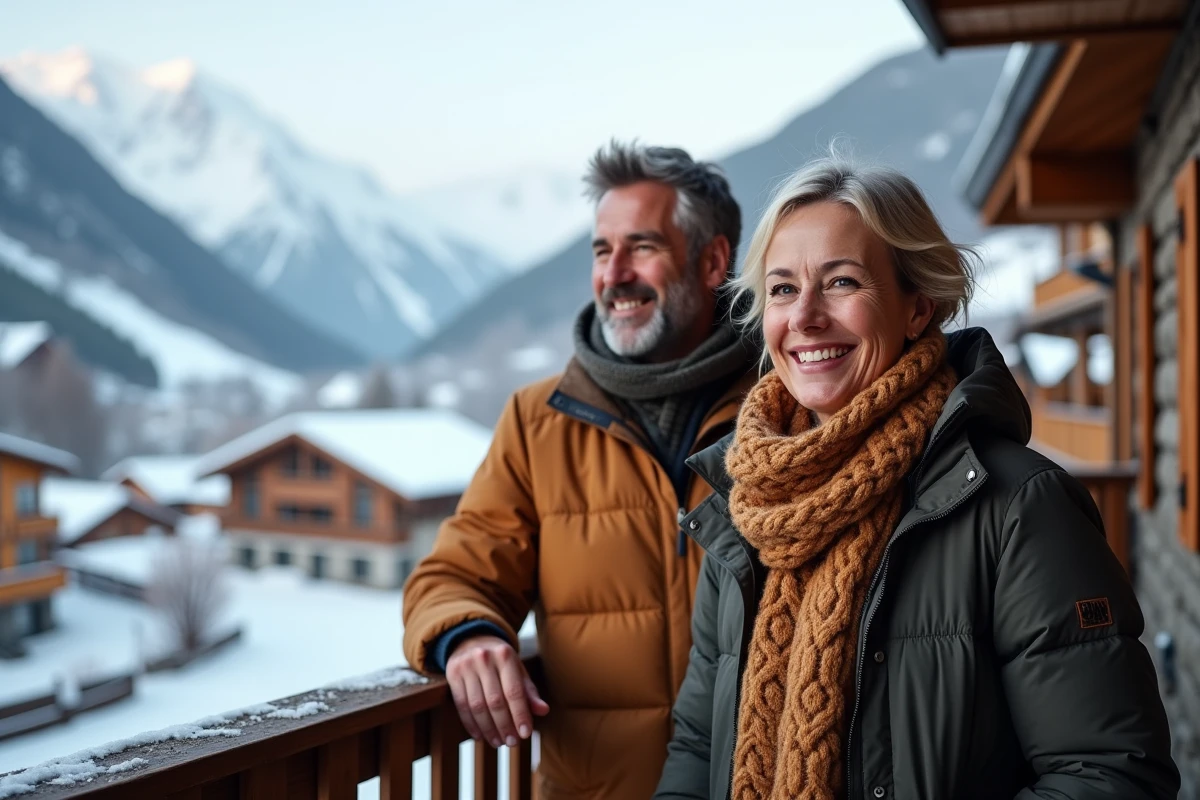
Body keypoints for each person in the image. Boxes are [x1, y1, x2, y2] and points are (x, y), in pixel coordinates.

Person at [654, 155, 1180, 800]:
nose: (806, 316)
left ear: (917, 308)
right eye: (783, 288)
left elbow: (1111, 774)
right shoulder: (747, 508)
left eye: (842, 282)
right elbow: (699, 748)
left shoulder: (1019, 507)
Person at [402, 141, 760, 799]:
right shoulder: (537, 421)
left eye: (642, 247)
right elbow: (454, 572)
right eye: (602, 251)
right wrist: (466, 635)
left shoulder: (788, 401)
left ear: (713, 261)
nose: (614, 274)